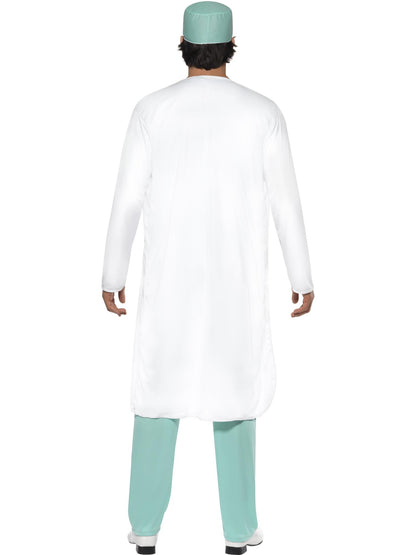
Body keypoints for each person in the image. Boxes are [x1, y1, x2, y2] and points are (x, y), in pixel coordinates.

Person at [101, 2, 315, 553]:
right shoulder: (262, 112)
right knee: (236, 398)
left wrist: (112, 272)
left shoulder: (151, 110)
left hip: (168, 285)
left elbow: (127, 200)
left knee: (157, 395)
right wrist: (302, 276)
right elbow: (286, 203)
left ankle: (145, 529)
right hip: (234, 285)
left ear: (182, 44)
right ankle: (238, 532)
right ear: (232, 45)